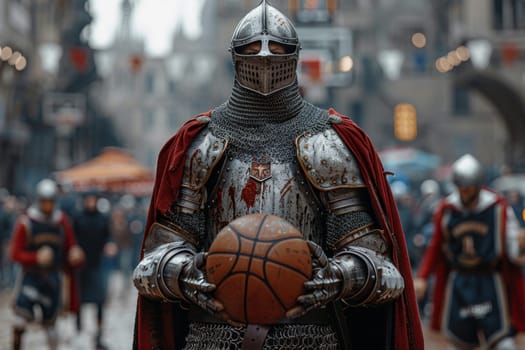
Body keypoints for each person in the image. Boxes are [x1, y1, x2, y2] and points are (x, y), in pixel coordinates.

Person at [132, 1, 424, 349]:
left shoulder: (329, 145)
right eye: (252, 49)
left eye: (279, 49)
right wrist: (186, 271)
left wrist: (340, 275)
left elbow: (384, 270)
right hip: (213, 334)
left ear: (295, 56)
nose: (266, 58)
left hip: (310, 334)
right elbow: (152, 262)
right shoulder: (201, 145)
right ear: (236, 57)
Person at [414, 154, 525, 350]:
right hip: (460, 283)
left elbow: (512, 250)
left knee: (504, 344)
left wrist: (520, 245)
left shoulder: (497, 208)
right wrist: (423, 276)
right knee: (457, 344)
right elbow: (436, 247)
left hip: (490, 281)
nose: (464, 193)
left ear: (477, 186)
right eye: (461, 189)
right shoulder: (447, 209)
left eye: (468, 189)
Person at [9, 178, 85, 350]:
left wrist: (75, 253)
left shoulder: (61, 221)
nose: (48, 206)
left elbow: (71, 246)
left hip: (52, 279)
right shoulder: (26, 222)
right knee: (20, 321)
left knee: (51, 328)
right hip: (31, 277)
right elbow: (14, 254)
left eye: (50, 202)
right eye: (44, 202)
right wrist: (36, 257)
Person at [71, 190, 112, 350]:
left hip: (96, 264)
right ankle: (78, 330)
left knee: (100, 301)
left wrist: (109, 244)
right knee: (79, 300)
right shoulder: (78, 217)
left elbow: (107, 236)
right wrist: (74, 249)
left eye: (93, 199)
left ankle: (99, 335)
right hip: (81, 266)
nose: (90, 202)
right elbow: (72, 238)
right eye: (88, 199)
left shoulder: (102, 218)